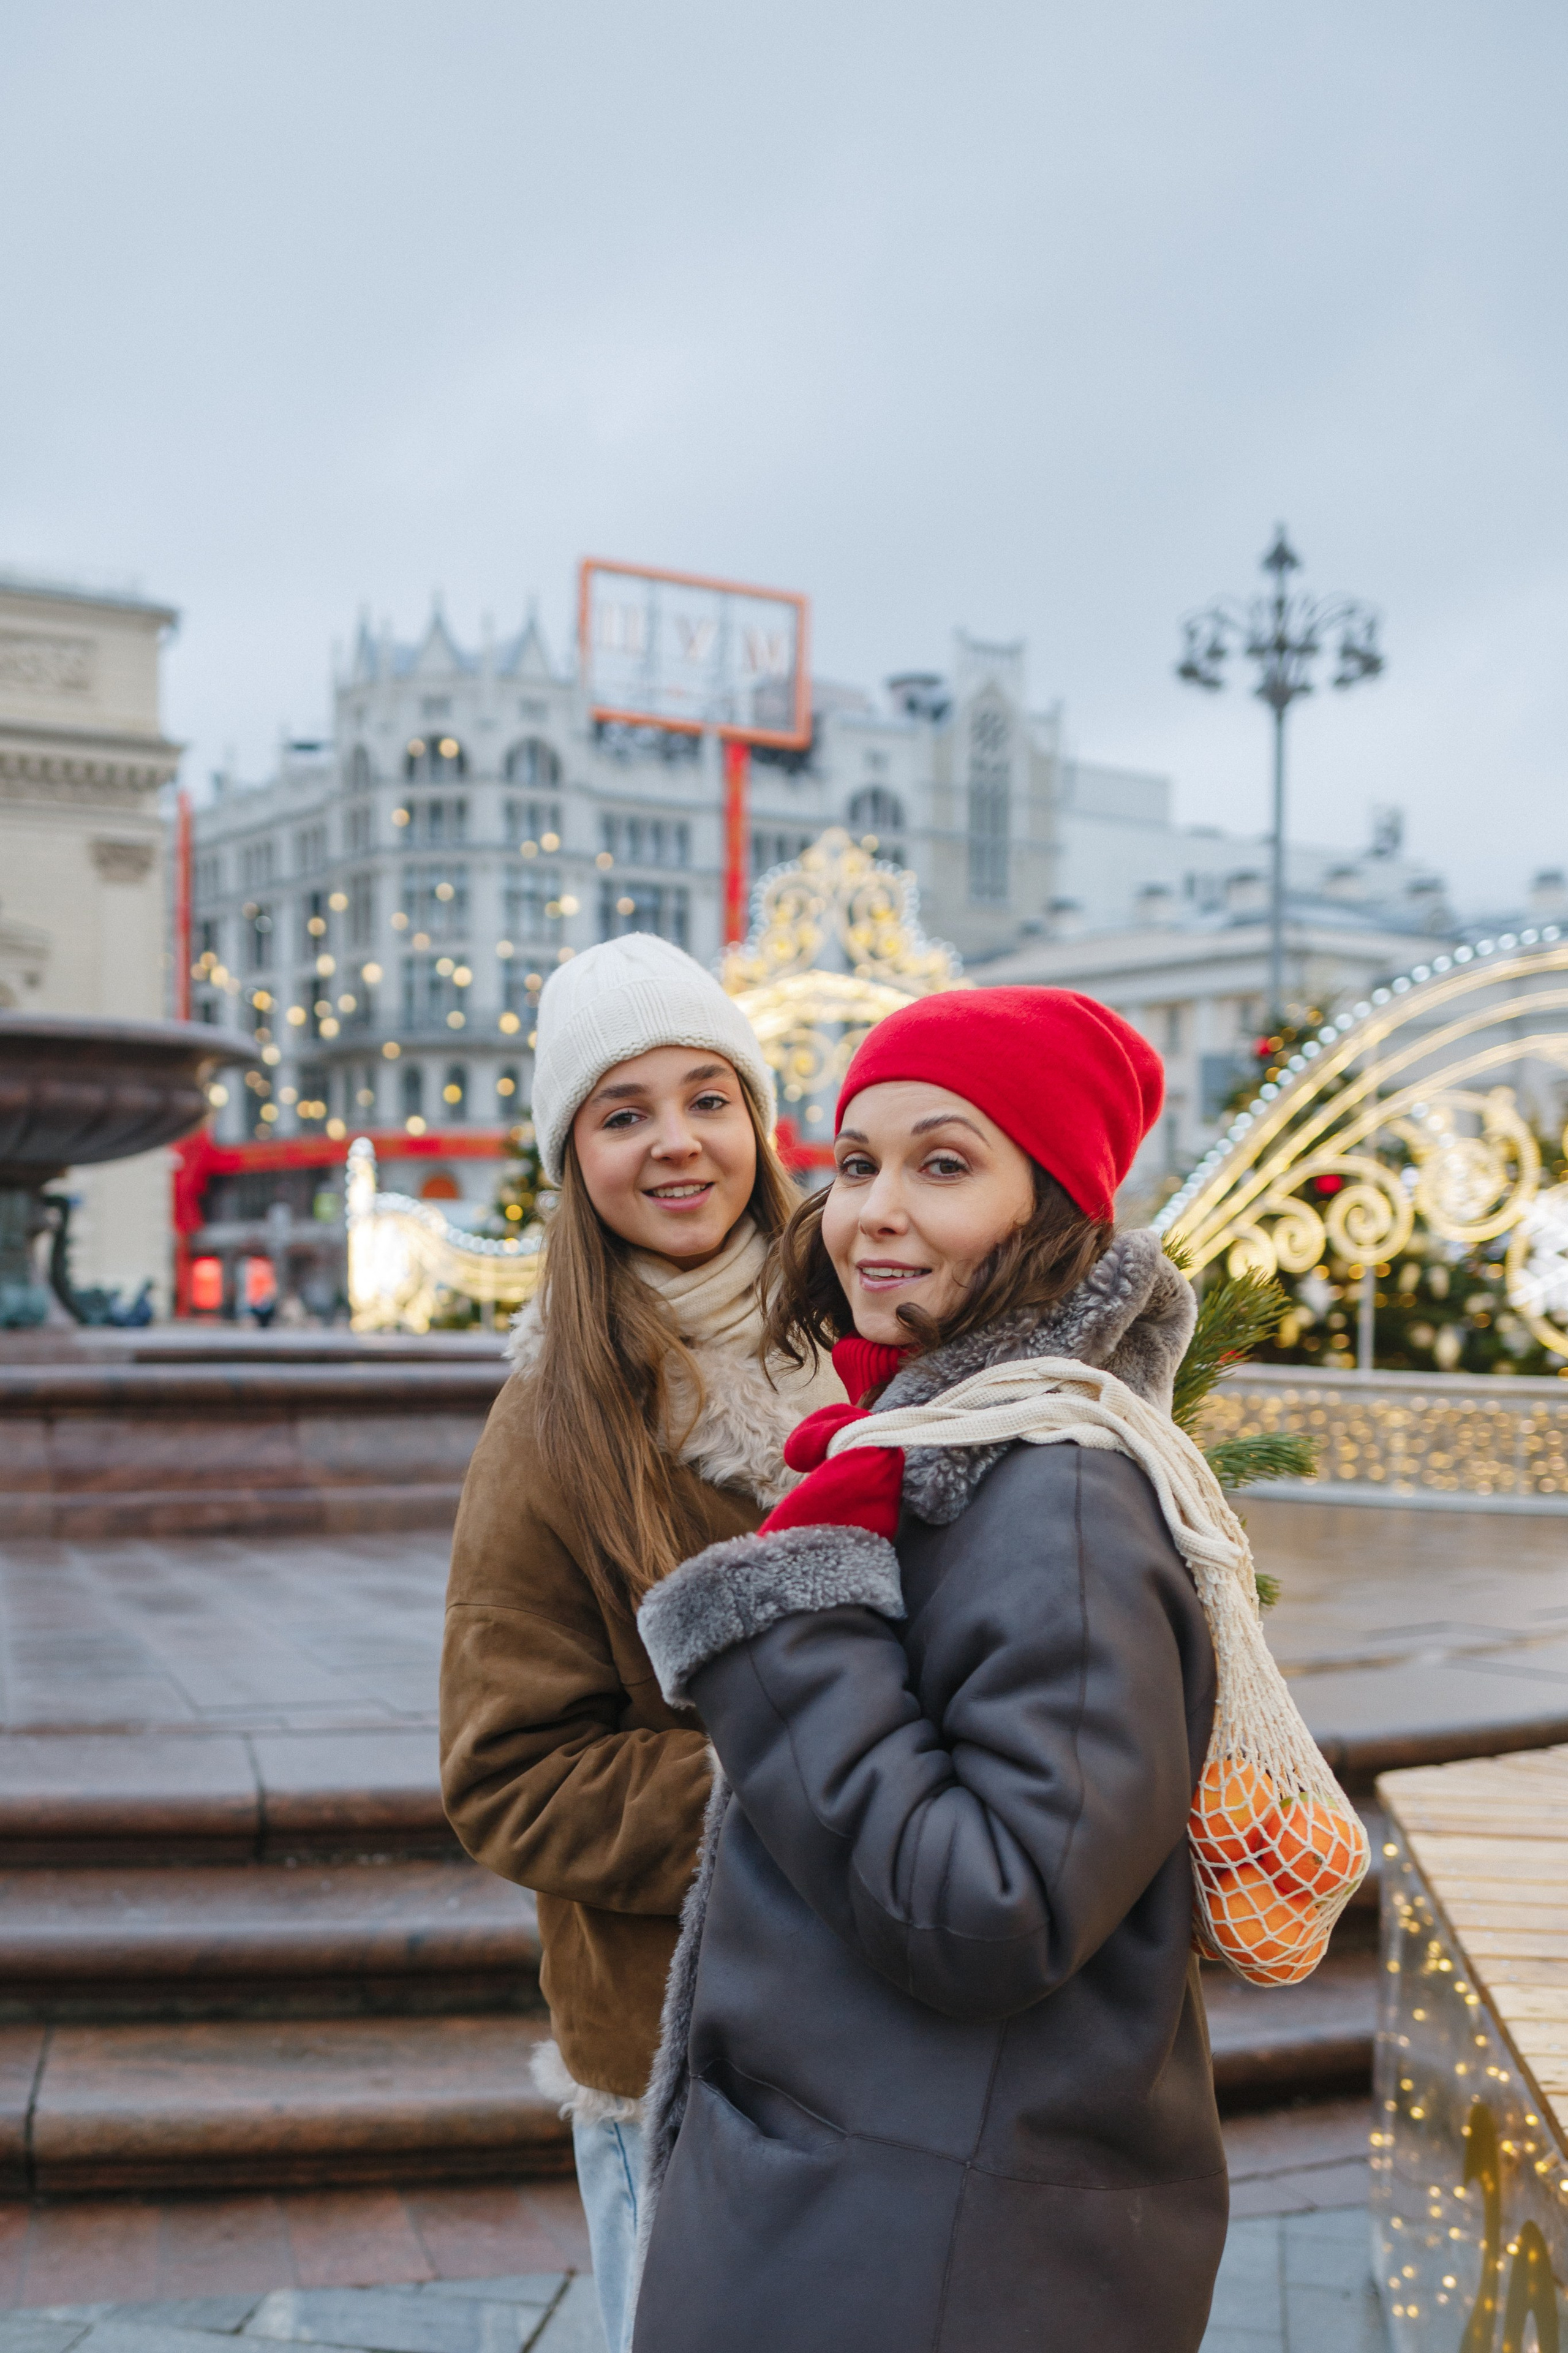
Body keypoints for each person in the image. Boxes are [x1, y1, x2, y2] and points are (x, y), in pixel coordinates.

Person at [632, 986, 1227, 2353]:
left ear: (1050, 1209)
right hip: (885, 2209)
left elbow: (995, 1908)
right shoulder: (941, 1455)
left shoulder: (1056, 1495)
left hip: (930, 2256)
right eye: (854, 1163)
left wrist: (789, 1620)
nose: (871, 1212)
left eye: (941, 1164)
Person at [439, 934, 843, 2353]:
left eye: (706, 1096)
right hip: (684, 2046)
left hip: (895, 2024)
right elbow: (507, 1772)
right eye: (622, 1113)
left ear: (756, 1118)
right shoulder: (552, 1425)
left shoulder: (875, 1344)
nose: (675, 1144)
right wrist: (797, 1804)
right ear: (574, 1158)